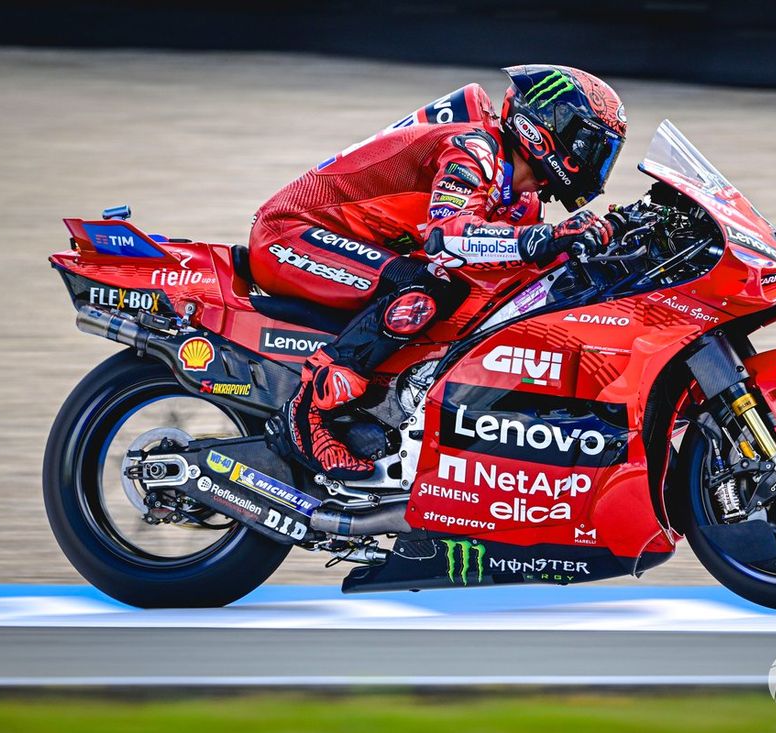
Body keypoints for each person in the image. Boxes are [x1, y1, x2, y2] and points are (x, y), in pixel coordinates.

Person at [248, 64, 628, 479]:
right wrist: (546, 238)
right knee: (424, 287)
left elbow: (516, 268)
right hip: (289, 234)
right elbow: (447, 237)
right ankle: (306, 416)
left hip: (355, 249)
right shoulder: (474, 148)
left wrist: (608, 242)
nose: (597, 162)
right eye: (593, 146)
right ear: (548, 130)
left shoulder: (523, 203)